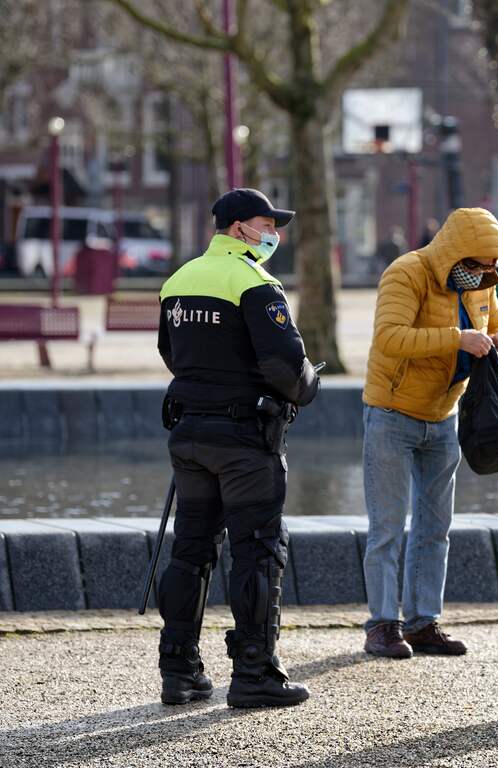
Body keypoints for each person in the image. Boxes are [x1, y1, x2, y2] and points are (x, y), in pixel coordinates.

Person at [156, 188, 320, 708]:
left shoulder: (178, 280)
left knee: (191, 550)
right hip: (245, 441)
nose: (276, 233)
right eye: (266, 223)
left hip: (190, 437)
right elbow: (285, 368)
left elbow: (170, 352)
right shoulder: (255, 282)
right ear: (236, 227)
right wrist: (310, 384)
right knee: (257, 550)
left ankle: (179, 670)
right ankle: (255, 673)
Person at [361, 207, 498, 658]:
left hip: (444, 415)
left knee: (436, 527)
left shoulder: (482, 283)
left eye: (493, 265)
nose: (487, 273)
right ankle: (382, 625)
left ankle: (423, 622)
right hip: (391, 413)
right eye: (478, 264)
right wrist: (456, 339)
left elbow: (495, 324)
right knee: (387, 529)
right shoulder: (407, 272)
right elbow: (389, 337)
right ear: (455, 255)